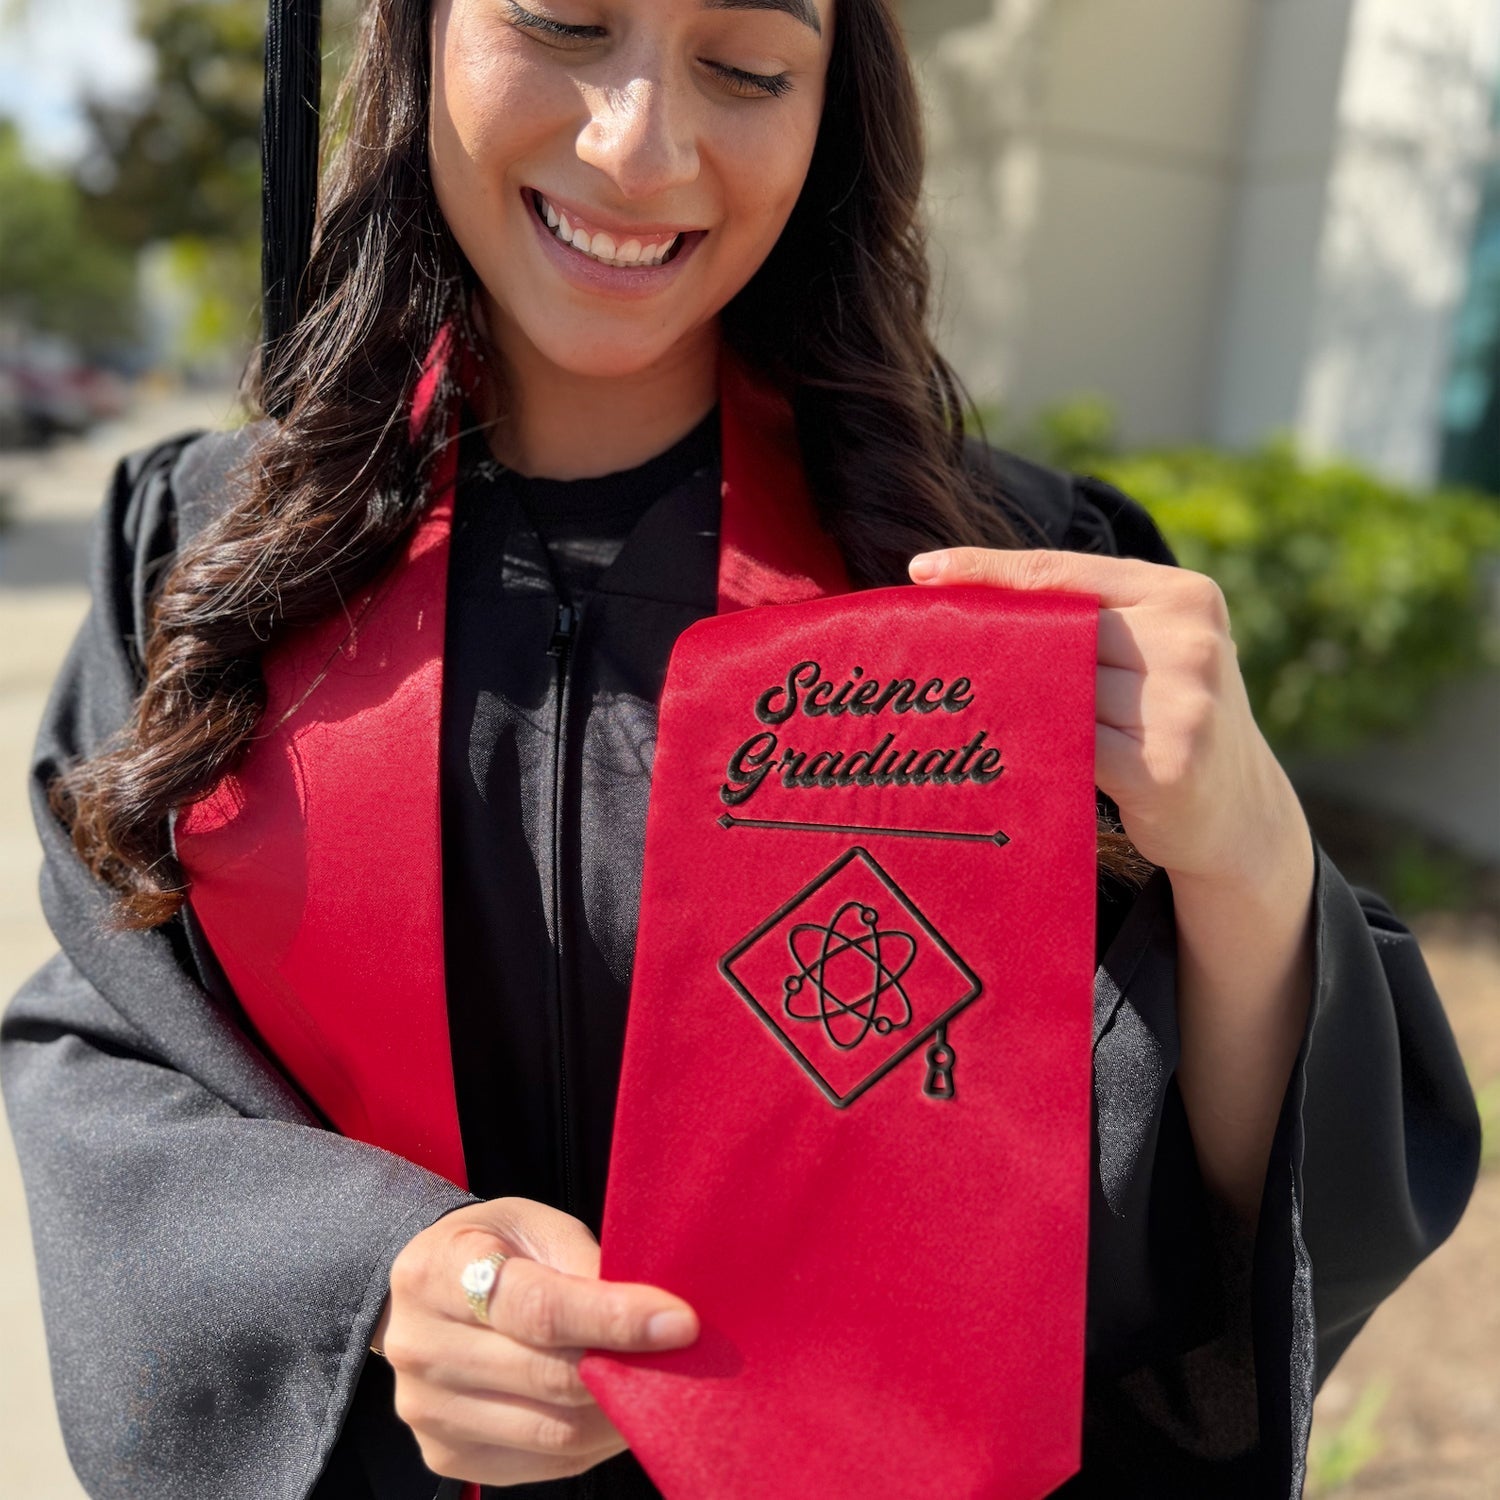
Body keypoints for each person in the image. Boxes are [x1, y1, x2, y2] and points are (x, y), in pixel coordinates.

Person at [0, 1, 1481, 1496]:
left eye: (748, 67)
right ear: (416, 31)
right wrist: (371, 1279)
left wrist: (1245, 855)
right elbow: (114, 1049)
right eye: (565, 22)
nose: (637, 147)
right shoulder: (203, 562)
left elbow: (1207, 1203)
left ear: (835, 104)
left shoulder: (993, 579)